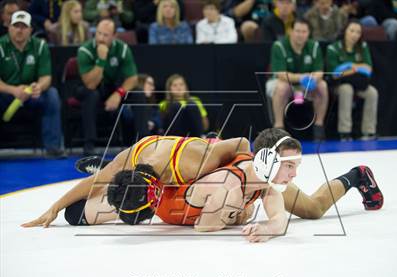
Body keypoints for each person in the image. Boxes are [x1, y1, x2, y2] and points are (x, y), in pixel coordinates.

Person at [21, 135, 251, 227]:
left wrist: (240, 193)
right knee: (74, 215)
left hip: (193, 172)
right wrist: (53, 209)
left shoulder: (197, 161)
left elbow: (242, 143)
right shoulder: (129, 159)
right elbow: (93, 182)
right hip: (160, 178)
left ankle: (108, 175)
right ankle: (108, 174)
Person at [0, 10, 64, 158]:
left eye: (23, 27)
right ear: (9, 27)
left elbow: (46, 77)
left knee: (52, 94)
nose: (19, 30)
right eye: (16, 26)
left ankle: (53, 148)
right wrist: (13, 90)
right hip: (6, 95)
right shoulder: (1, 46)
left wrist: (39, 87)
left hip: (32, 95)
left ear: (30, 30)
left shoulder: (40, 46)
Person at [76, 18, 138, 155]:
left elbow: (133, 78)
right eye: (98, 33)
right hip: (90, 88)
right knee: (91, 94)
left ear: (114, 36)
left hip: (112, 86)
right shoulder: (85, 50)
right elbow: (90, 84)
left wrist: (118, 94)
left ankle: (142, 140)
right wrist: (101, 60)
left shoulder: (122, 49)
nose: (101, 38)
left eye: (105, 35)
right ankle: (89, 144)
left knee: (137, 92)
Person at [265, 18, 328, 140]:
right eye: (297, 31)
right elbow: (280, 74)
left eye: (304, 31)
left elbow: (319, 72)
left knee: (322, 85)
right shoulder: (279, 46)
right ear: (291, 31)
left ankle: (319, 127)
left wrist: (313, 79)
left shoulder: (314, 46)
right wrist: (302, 77)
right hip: (282, 82)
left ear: (309, 33)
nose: (300, 35)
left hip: (305, 84)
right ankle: (279, 127)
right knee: (282, 87)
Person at [326, 20, 378, 141]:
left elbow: (368, 69)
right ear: (345, 31)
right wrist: (356, 69)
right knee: (346, 89)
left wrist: (351, 67)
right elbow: (334, 74)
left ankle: (369, 131)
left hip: (358, 83)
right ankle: (345, 132)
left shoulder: (363, 46)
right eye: (352, 31)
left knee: (372, 93)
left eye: (358, 32)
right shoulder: (333, 48)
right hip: (339, 85)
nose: (355, 35)